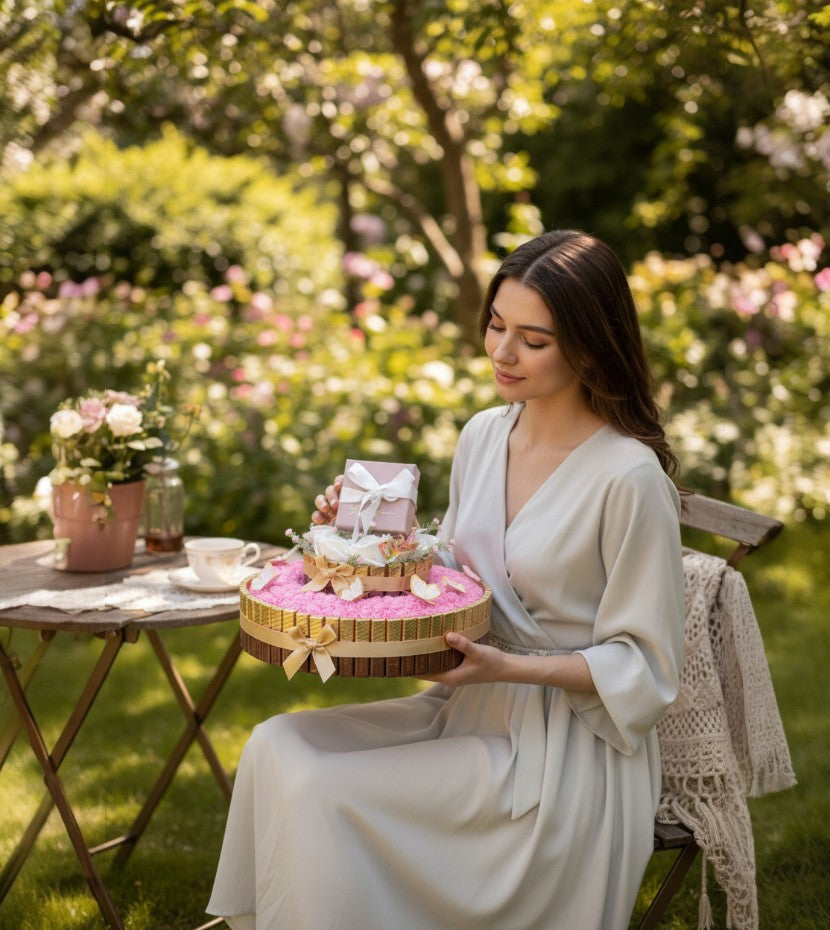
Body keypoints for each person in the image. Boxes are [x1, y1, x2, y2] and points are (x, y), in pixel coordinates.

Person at [207, 230, 685, 930]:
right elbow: (458, 580)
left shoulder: (629, 478)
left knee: (320, 786)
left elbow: (646, 667)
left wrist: (508, 667)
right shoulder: (484, 435)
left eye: (533, 339)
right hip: (469, 708)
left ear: (589, 347)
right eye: (496, 325)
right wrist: (364, 537)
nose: (502, 353)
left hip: (564, 756)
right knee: (276, 746)